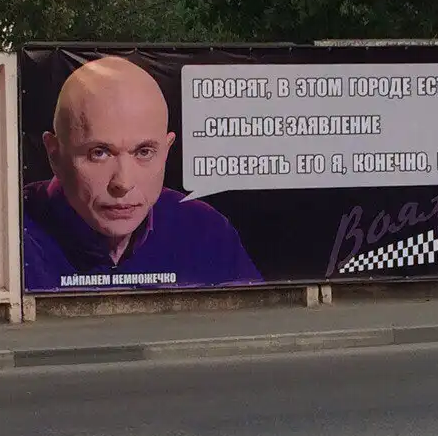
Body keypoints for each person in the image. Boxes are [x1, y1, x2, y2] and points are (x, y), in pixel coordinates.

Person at [23, 56, 262, 291]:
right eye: (99, 153)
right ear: (55, 155)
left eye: (144, 152)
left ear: (166, 151)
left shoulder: (207, 232)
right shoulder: (14, 237)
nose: (123, 183)